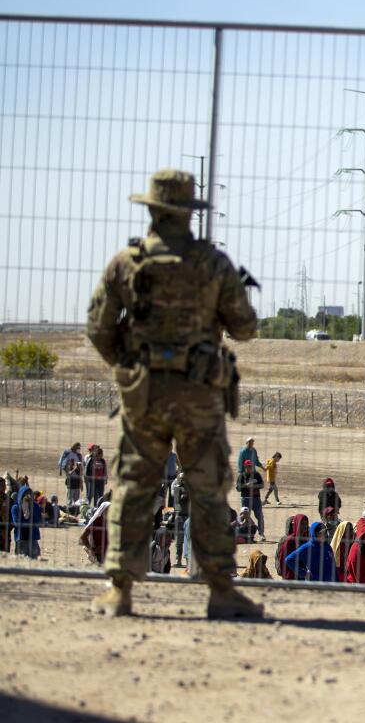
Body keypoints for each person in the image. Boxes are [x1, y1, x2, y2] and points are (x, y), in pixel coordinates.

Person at [85, 169, 261, 619]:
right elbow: (245, 327)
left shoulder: (128, 262)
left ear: (152, 210)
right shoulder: (213, 263)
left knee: (134, 486)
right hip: (200, 393)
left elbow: (98, 327)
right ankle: (220, 589)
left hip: (143, 393)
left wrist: (129, 364)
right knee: (207, 489)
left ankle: (119, 589)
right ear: (189, 213)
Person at [235, 461, 266, 541]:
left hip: (256, 498)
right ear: (245, 467)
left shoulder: (256, 475)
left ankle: (261, 534)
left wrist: (254, 485)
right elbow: (238, 488)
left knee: (260, 516)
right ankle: (238, 533)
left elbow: (262, 485)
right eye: (248, 466)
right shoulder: (242, 476)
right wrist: (246, 485)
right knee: (243, 516)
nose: (249, 468)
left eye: (251, 466)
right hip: (245, 498)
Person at [275, 514, 310, 580]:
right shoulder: (289, 541)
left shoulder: (306, 540)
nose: (304, 526)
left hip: (304, 577)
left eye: (306, 524)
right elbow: (282, 560)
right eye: (301, 524)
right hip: (291, 577)